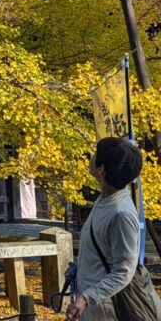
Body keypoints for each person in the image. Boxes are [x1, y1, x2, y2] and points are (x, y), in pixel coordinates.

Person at [66, 137, 142, 320]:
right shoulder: (105, 200)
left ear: (101, 170)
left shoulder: (120, 214)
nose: (91, 157)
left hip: (105, 309)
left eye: (96, 154)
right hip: (90, 306)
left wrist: (86, 298)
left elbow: (124, 270)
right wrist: (80, 268)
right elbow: (103, 250)